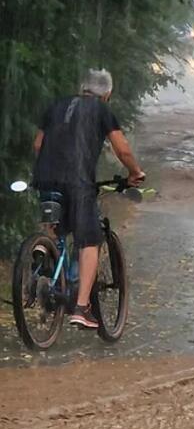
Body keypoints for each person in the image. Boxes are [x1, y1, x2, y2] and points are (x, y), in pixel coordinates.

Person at [30, 69, 145, 330]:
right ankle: (82, 308)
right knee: (89, 240)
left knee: (55, 220)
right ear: (107, 94)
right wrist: (135, 173)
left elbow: (38, 145)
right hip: (78, 182)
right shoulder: (101, 110)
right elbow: (122, 148)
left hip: (45, 177)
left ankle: (42, 248)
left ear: (82, 87)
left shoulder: (56, 105)